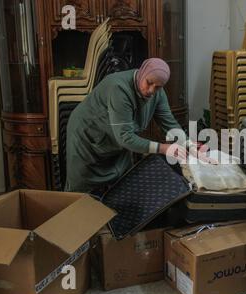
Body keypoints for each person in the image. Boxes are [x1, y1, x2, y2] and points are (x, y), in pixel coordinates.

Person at [65, 58, 210, 193]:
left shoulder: (157, 93)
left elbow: (169, 123)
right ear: (142, 73)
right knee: (83, 193)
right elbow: (125, 138)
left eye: (158, 87)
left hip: (116, 140)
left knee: (121, 185)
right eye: (149, 83)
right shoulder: (118, 88)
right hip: (87, 138)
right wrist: (163, 148)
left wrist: (190, 146)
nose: (152, 90)